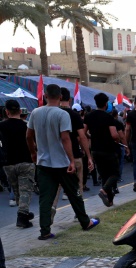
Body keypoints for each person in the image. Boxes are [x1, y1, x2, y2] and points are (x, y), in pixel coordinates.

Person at [26, 83, 99, 240]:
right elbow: (65, 138)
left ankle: (44, 230)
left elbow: (28, 136)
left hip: (43, 162)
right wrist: (71, 160)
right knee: (75, 193)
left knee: (46, 198)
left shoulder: (35, 113)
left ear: (45, 96)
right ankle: (85, 222)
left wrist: (33, 152)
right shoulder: (62, 114)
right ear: (60, 97)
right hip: (62, 162)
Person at [0, 99, 36, 228]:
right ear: (20, 111)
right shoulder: (27, 126)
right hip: (26, 162)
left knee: (16, 191)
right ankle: (22, 218)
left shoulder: (1, 126)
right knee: (25, 190)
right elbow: (34, 143)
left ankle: (23, 213)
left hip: (8, 164)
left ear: (7, 112)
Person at [84, 93, 121, 207]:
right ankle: (104, 190)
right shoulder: (108, 117)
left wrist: (92, 136)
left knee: (104, 175)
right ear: (106, 104)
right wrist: (118, 140)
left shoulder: (89, 116)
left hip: (95, 149)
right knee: (115, 173)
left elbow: (84, 132)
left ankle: (109, 201)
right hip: (108, 149)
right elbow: (114, 135)